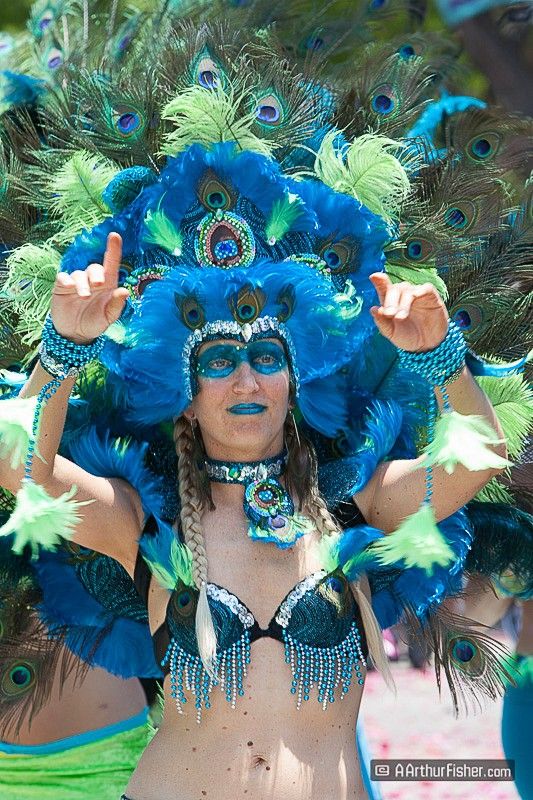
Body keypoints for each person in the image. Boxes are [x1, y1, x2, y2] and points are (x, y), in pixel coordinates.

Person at [0, 224, 509, 800]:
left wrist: (440, 357)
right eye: (219, 361)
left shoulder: (351, 507)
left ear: (293, 385)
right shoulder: (148, 520)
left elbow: (480, 458)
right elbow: (17, 465)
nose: (247, 378)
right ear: (185, 399)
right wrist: (63, 348)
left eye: (266, 356)